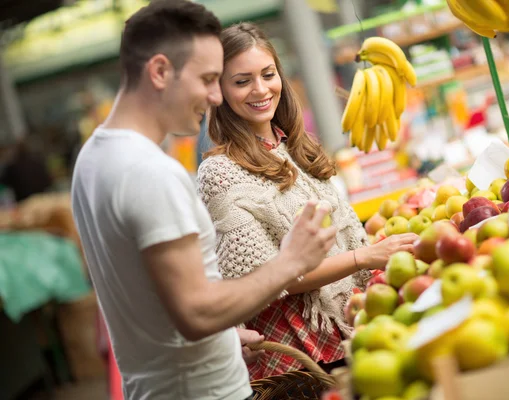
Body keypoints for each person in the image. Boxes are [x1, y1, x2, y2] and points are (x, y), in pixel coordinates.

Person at [70, 2, 337, 400]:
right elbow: (197, 312)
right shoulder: (150, 172)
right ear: (160, 71)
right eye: (209, 79)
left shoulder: (92, 158)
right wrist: (291, 262)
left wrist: (226, 337)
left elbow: (161, 301)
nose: (215, 96)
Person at [197, 22, 418, 380]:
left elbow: (338, 237)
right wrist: (366, 256)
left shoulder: (298, 147)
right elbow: (267, 277)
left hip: (354, 325)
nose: (260, 89)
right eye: (242, 81)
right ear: (219, 91)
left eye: (268, 74)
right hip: (301, 354)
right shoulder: (219, 174)